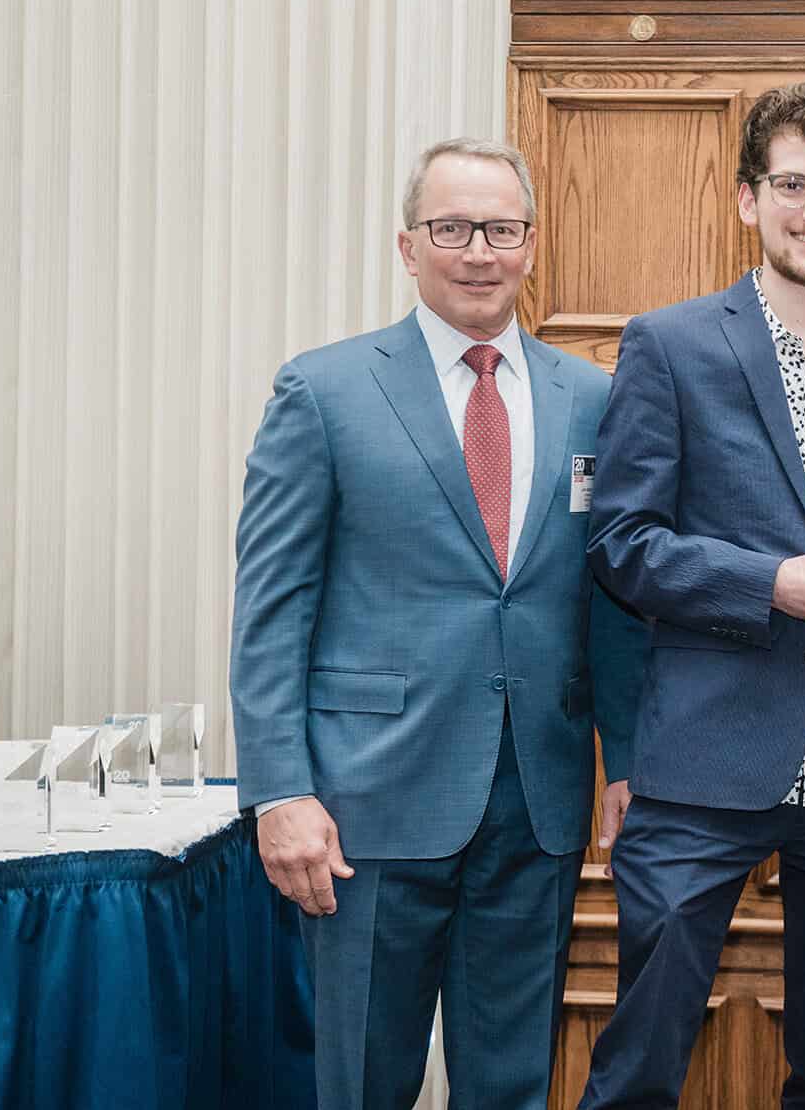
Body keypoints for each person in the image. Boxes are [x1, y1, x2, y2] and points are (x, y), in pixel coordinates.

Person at [230, 137, 646, 1109]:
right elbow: (270, 606)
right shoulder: (324, 391)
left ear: (533, 243)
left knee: (511, 1084)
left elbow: (614, 601)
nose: (477, 250)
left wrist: (624, 759)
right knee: (365, 1082)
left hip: (537, 803)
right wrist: (278, 788)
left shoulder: (592, 398)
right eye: (451, 228)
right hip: (365, 806)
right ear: (408, 246)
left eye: (500, 228)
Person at [578, 77, 805, 1110]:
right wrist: (766, 585)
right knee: (641, 1062)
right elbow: (621, 542)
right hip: (703, 764)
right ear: (748, 197)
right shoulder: (671, 342)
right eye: (793, 182)